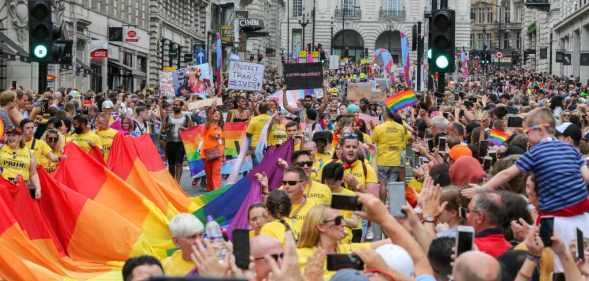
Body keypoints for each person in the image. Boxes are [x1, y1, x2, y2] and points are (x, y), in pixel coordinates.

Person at [296, 205, 388, 280]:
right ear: (321, 227)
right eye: (338, 220)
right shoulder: (302, 255)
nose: (344, 224)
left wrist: (384, 219)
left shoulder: (345, 249)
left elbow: (389, 242)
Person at [467, 191, 512, 258]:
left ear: (480, 217)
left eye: (468, 211)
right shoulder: (511, 249)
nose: (466, 216)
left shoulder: (469, 247)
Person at [372, 110, 409, 188]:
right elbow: (404, 142)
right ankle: (391, 200)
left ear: (386, 114)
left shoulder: (379, 128)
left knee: (383, 185)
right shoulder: (401, 128)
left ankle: (382, 200)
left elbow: (373, 140)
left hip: (383, 160)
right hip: (396, 161)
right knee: (392, 186)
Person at [0, 128, 41, 198]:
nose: (10, 138)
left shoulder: (29, 152)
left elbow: (33, 173)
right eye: (9, 135)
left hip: (22, 188)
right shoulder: (1, 148)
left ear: (20, 137)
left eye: (13, 135)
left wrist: (38, 188)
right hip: (4, 188)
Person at [161, 99, 192, 182]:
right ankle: (172, 181)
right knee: (171, 165)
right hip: (170, 142)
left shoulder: (186, 117)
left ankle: (177, 183)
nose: (175, 106)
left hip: (181, 143)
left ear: (181, 106)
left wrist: (184, 129)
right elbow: (163, 129)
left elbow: (191, 129)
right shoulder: (168, 116)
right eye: (174, 104)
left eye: (177, 105)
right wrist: (166, 127)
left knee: (179, 163)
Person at [202, 107, 224, 191]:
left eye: (218, 114)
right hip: (207, 154)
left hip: (218, 155)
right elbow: (208, 116)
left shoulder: (221, 128)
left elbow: (222, 142)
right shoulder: (208, 125)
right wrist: (212, 107)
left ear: (220, 117)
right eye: (215, 114)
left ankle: (216, 194)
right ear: (211, 116)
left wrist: (223, 155)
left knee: (216, 174)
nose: (216, 115)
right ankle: (210, 193)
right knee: (209, 175)